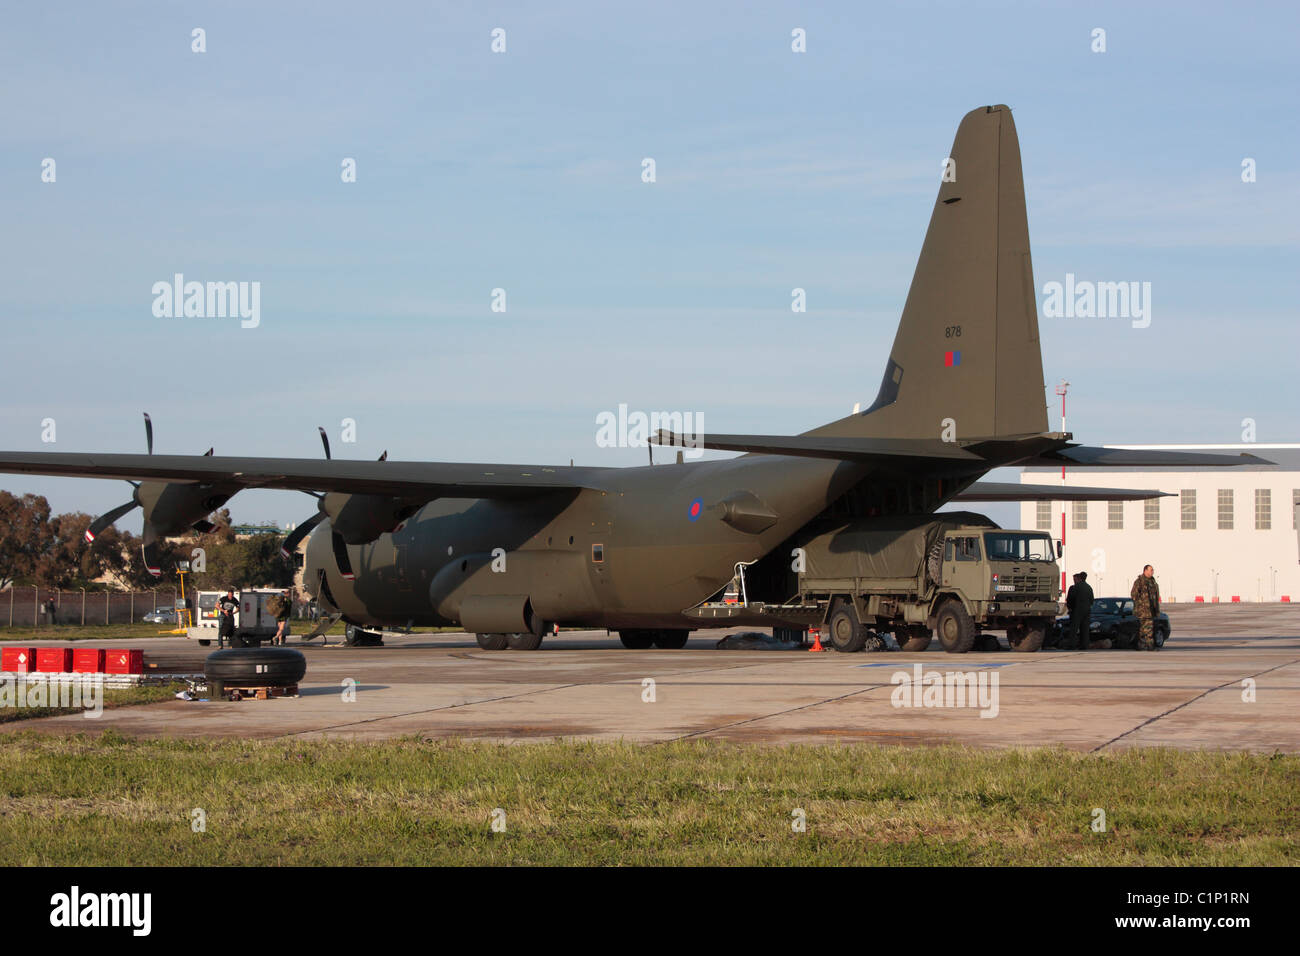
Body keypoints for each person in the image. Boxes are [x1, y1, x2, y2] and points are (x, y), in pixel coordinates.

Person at [1130, 565, 1161, 651]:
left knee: (1147, 630)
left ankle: (1146, 646)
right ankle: (1146, 646)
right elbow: (1133, 595)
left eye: (1153, 570)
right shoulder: (1139, 582)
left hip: (1151, 611)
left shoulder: (1153, 582)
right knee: (1144, 630)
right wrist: (1141, 603)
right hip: (1142, 611)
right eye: (1151, 570)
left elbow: (1155, 597)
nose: (1152, 572)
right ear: (1145, 571)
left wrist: (1156, 610)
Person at [1067, 571, 1094, 649]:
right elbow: (1092, 600)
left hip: (1077, 610)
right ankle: (1084, 645)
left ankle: (1072, 645)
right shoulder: (1089, 587)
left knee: (1074, 629)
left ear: (1079, 578)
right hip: (1087, 611)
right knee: (1085, 629)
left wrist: (1070, 608)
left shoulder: (1075, 587)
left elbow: (1071, 599)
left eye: (1075, 579)